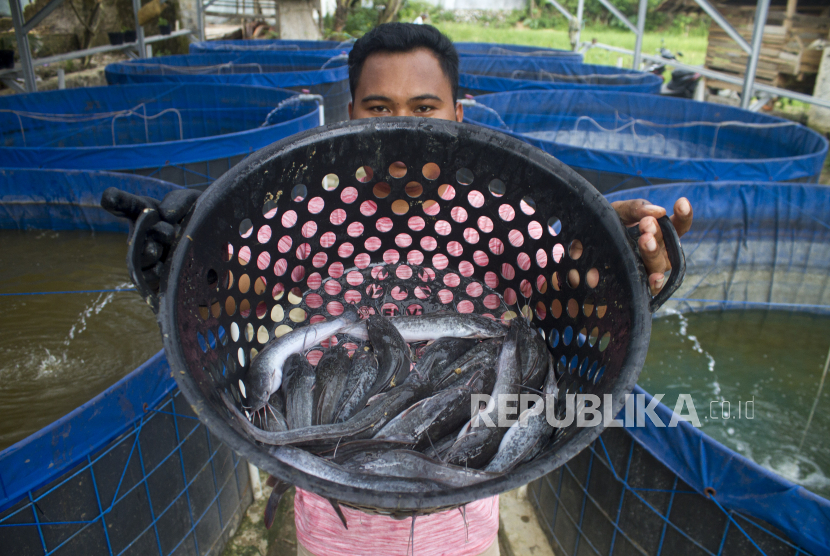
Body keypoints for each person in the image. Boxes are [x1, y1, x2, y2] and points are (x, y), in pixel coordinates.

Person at [290, 22, 694, 556]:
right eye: (380, 108)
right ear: (350, 117)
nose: (405, 129)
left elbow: (565, 295)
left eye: (425, 108)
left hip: (461, 524)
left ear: (459, 116)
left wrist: (603, 251)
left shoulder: (496, 216)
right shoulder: (310, 216)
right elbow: (224, 282)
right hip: (333, 522)